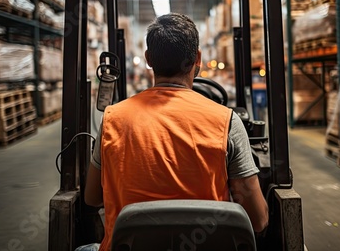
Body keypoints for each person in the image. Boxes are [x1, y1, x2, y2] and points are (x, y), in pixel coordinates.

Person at [79, 13, 268, 251]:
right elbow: (259, 220)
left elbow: (92, 198)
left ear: (148, 59)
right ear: (197, 58)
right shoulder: (226, 121)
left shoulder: (112, 120)